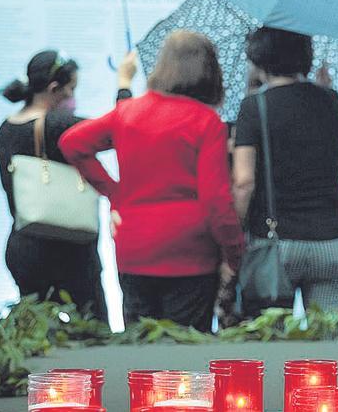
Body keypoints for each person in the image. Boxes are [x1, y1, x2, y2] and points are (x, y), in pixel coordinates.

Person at [60, 31, 244, 331]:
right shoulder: (206, 122)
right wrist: (234, 253)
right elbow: (216, 201)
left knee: (140, 354)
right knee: (185, 359)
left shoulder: (128, 113)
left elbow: (72, 143)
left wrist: (115, 194)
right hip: (192, 255)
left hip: (134, 248)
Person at [232, 27, 338, 316]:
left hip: (276, 244)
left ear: (260, 59)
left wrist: (235, 231)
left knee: (270, 345)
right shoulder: (331, 99)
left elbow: (244, 181)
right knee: (327, 346)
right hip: (332, 241)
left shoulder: (254, 107)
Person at [0, 50, 112, 320]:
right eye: (71, 90)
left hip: (23, 246)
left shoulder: (5, 128)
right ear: (54, 89)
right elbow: (113, 131)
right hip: (68, 250)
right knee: (93, 333)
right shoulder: (57, 125)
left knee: (38, 336)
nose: (73, 98)